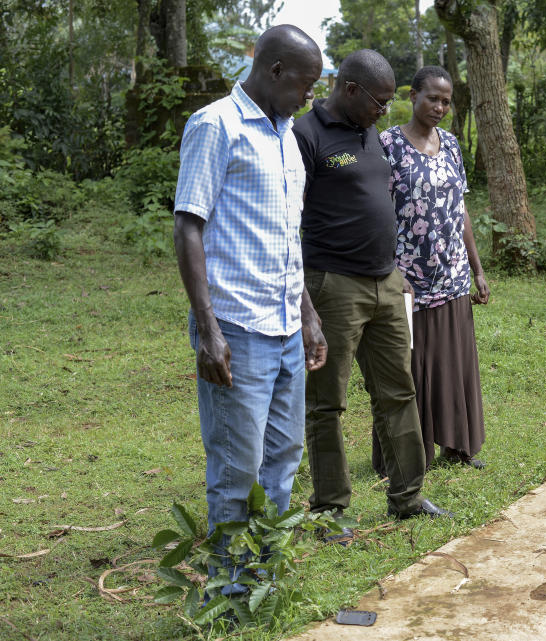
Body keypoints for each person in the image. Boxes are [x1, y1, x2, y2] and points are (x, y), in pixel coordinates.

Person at [172, 25, 327, 588]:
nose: (311, 96)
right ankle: (232, 593)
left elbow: (287, 236)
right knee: (237, 468)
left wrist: (307, 314)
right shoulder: (215, 126)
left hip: (285, 324)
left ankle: (265, 577)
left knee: (283, 459)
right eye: (306, 84)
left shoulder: (286, 134)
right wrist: (208, 330)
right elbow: (189, 226)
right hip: (237, 327)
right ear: (276, 71)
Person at [293, 49, 452, 521]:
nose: (385, 113)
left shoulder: (370, 132)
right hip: (333, 284)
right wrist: (304, 301)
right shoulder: (306, 135)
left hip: (386, 280)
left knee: (397, 392)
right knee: (328, 403)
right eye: (379, 102)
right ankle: (330, 508)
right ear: (349, 89)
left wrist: (395, 272)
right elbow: (288, 216)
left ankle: (407, 497)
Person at [374, 66, 490, 475]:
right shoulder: (387, 144)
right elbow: (375, 213)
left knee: (453, 363)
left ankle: (458, 446)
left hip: (453, 273)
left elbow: (461, 210)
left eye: (446, 101)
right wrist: (388, 268)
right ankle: (404, 456)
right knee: (408, 366)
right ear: (412, 96)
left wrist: (476, 268)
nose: (440, 107)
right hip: (406, 277)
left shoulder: (453, 145)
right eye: (432, 99)